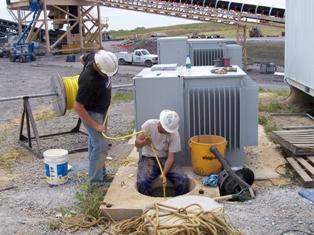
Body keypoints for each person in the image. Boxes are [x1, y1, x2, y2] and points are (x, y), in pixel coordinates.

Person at [74, 50, 118, 183]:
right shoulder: (88, 81)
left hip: (102, 110)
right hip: (92, 113)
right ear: (98, 67)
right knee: (101, 146)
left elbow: (82, 58)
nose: (106, 75)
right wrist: (96, 125)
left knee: (96, 143)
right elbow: (78, 107)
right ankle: (95, 182)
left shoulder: (96, 57)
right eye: (104, 73)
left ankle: (101, 174)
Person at [135, 110, 189, 196]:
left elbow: (171, 157)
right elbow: (137, 143)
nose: (162, 128)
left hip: (165, 159)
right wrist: (145, 142)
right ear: (160, 120)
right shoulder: (149, 125)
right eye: (163, 126)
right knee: (142, 182)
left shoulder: (174, 134)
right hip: (148, 157)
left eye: (166, 130)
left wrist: (164, 174)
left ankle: (178, 205)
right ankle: (151, 206)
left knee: (183, 180)